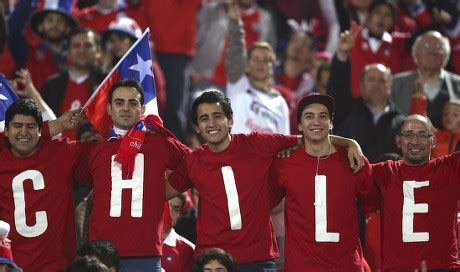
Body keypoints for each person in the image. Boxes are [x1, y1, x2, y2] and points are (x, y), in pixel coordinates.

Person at [166, 90, 363, 271]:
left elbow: (310, 137)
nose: (211, 123)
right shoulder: (193, 161)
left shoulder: (259, 143)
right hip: (212, 260)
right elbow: (159, 193)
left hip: (257, 259)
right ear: (198, 128)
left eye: (217, 116)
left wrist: (348, 143)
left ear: (231, 120)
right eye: (204, 119)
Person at [75, 79, 190, 271]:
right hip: (102, 253)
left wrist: (165, 190)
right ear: (109, 109)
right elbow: (79, 178)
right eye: (119, 103)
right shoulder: (94, 149)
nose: (126, 108)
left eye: (132, 103)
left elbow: (195, 163)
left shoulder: (160, 142)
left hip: (145, 251)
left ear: (142, 109)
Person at [269, 94, 375, 271]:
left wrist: (351, 144)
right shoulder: (284, 163)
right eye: (309, 116)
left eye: (323, 116)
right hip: (301, 267)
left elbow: (373, 207)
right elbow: (268, 205)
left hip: (346, 266)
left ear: (331, 123)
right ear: (300, 125)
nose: (316, 121)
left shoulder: (354, 160)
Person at [0, 99, 85, 271]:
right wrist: (57, 125)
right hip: (9, 266)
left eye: (31, 127)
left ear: (40, 131)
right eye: (17, 126)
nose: (24, 132)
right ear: (6, 131)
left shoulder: (63, 152)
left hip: (57, 266)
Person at [371, 114, 460, 270]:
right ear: (398, 141)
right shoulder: (382, 172)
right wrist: (350, 143)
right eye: (408, 134)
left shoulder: (450, 168)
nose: (415, 141)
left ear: (433, 141)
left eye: (422, 135)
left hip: (442, 268)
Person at [329, 23, 404, 162]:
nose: (376, 84)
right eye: (371, 79)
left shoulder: (402, 123)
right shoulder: (347, 112)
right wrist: (342, 54)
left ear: (390, 86)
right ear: (361, 85)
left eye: (381, 80)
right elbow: (337, 88)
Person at [225, 2, 290, 135]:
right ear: (247, 66)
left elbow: (286, 141)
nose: (261, 64)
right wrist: (235, 24)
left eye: (266, 60)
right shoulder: (238, 85)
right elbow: (236, 51)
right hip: (240, 154)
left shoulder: (280, 102)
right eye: (256, 59)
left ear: (273, 68)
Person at [41, 28, 105, 140]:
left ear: (98, 51)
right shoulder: (51, 86)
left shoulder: (108, 84)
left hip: (94, 153)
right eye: (76, 46)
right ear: (68, 52)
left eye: (88, 45)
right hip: (54, 153)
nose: (82, 50)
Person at [391, 30, 460, 129]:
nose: (432, 52)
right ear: (416, 54)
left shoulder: (458, 84)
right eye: (427, 46)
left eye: (438, 47)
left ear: (446, 56)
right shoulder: (396, 84)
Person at [161, 194, 195, 272]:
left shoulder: (189, 250)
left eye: (175, 209)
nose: (169, 213)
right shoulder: (136, 241)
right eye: (166, 207)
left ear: (180, 214)